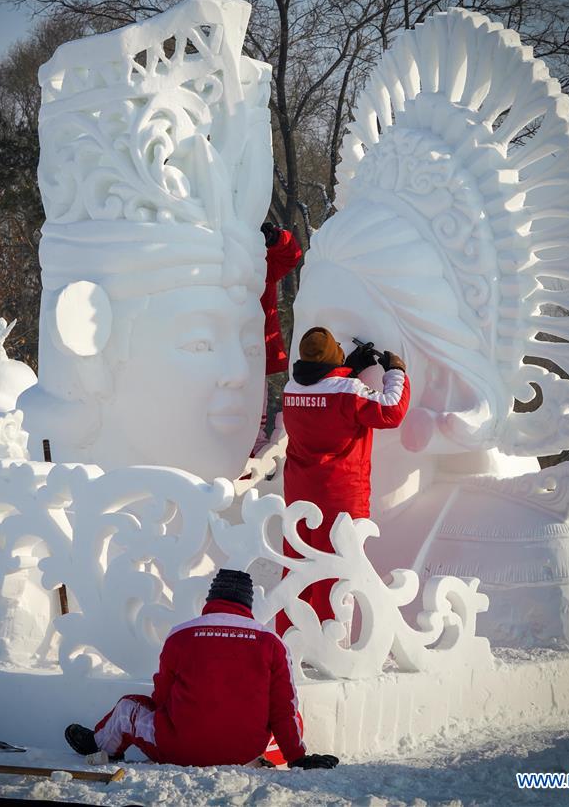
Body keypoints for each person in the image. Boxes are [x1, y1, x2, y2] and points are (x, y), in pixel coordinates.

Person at [64, 569, 339, 770]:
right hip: (243, 751)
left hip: (179, 749)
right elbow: (283, 709)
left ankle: (100, 745)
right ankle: (263, 758)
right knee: (291, 716)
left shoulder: (180, 634)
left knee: (128, 708)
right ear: (247, 605)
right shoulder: (271, 642)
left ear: (211, 599)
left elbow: (161, 698)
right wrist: (297, 758)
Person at [277, 327, 411, 634]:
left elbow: (323, 395)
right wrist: (396, 372)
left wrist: (348, 369)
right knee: (337, 574)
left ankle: (289, 638)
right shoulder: (349, 391)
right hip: (340, 495)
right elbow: (391, 410)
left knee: (297, 569)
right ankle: (333, 643)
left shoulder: (291, 389)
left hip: (299, 493)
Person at [254, 222, 302, 453]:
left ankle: (255, 451)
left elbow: (292, 254)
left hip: (256, 347)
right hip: (213, 347)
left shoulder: (260, 262)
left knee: (254, 408)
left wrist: (275, 238)